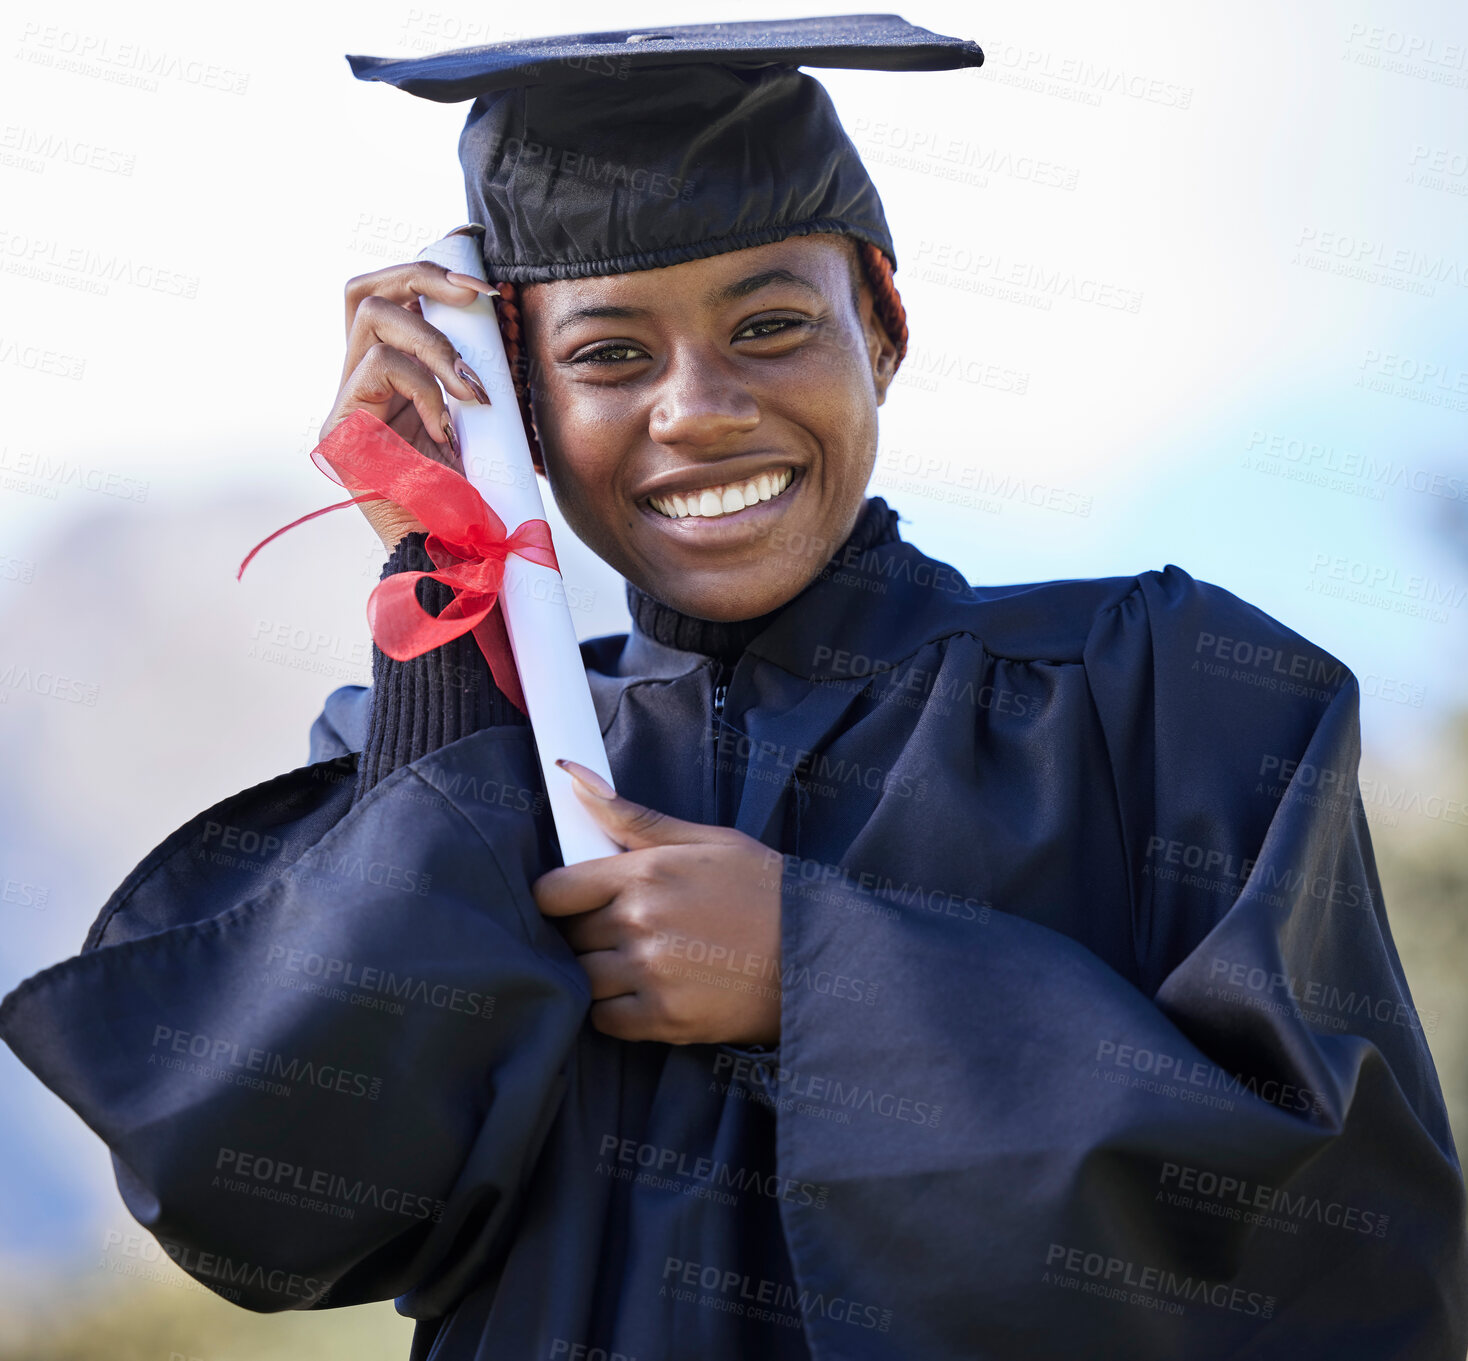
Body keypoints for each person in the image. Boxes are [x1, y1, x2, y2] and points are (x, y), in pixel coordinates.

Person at [2, 14, 1466, 1361]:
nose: (697, 408)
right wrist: (445, 602)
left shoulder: (1172, 694)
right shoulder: (462, 744)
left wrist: (821, 976)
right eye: (608, 354)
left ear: (881, 328)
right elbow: (287, 1205)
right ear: (518, 403)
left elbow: (1351, 1254)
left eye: (771, 326)